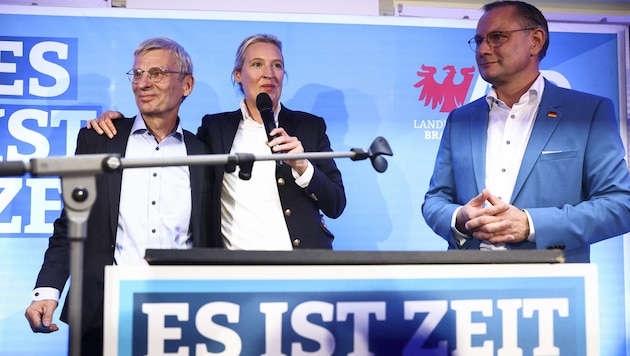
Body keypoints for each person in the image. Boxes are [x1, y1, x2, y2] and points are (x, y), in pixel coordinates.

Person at [24, 37, 213, 355]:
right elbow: (71, 224)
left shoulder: (203, 154)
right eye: (137, 74)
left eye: (156, 73)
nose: (143, 83)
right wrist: (47, 290)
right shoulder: (98, 139)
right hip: (102, 312)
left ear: (187, 84)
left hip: (181, 313)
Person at [88, 33, 346, 250]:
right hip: (236, 275)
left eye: (277, 65)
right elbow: (166, 141)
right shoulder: (215, 128)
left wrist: (303, 166)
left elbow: (336, 204)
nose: (269, 73)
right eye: (257, 64)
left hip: (301, 267)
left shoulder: (309, 127)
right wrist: (119, 122)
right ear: (237, 75)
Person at [422, 0, 630, 263]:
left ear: (535, 40)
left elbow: (620, 205)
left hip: (552, 289)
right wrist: (459, 219)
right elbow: (436, 200)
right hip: (468, 283)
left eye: (497, 37)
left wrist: (532, 224)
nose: (484, 49)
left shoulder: (587, 113)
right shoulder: (460, 119)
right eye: (479, 40)